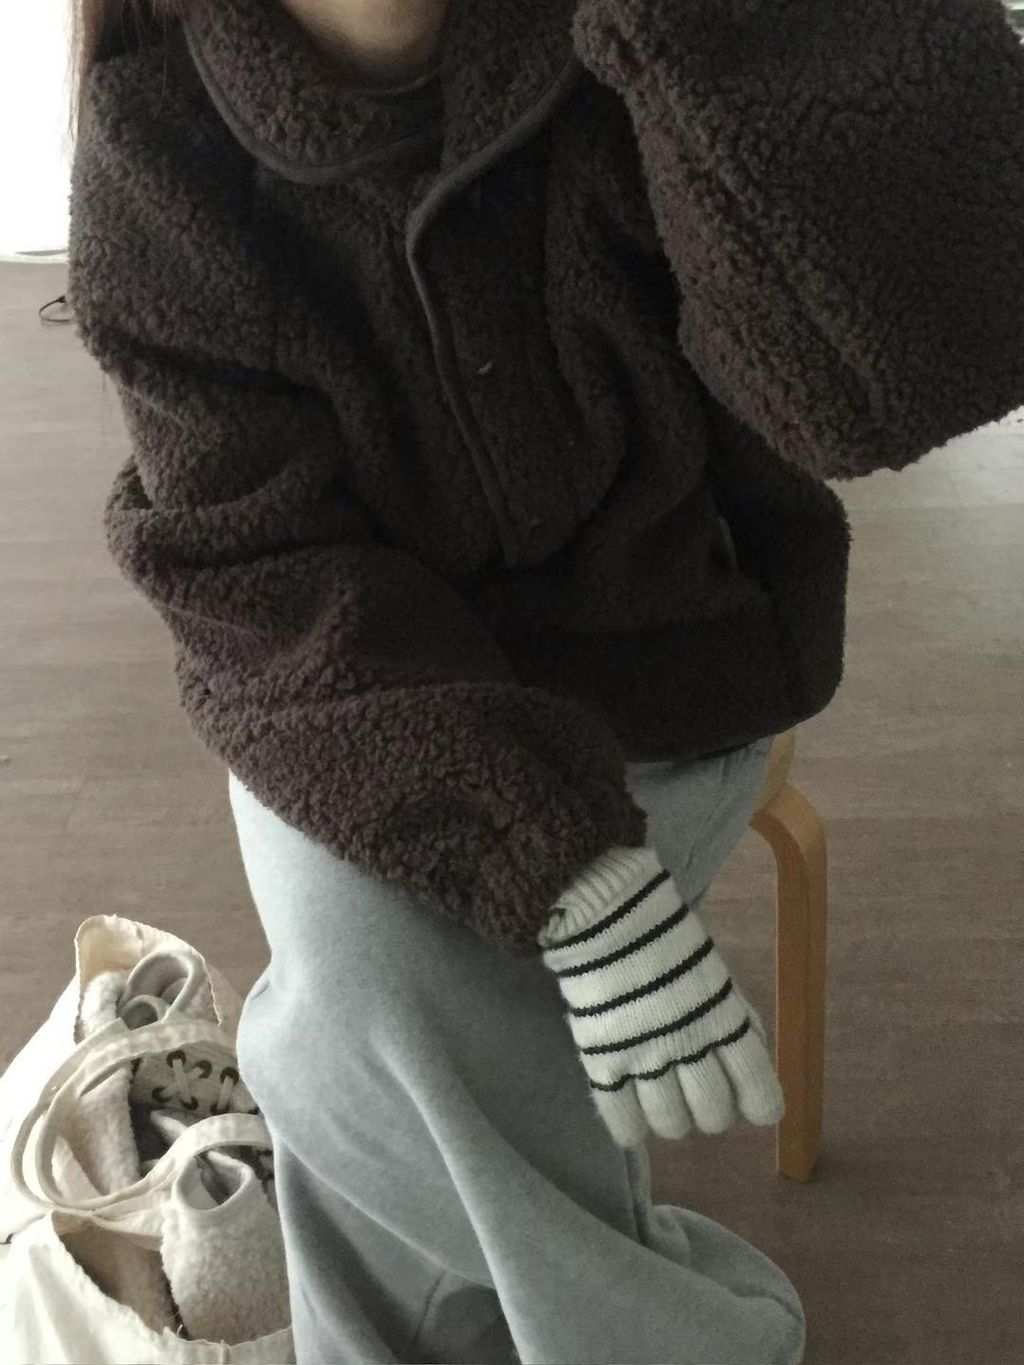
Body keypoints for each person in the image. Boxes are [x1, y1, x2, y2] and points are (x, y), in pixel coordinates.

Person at [66, 0, 1024, 1360]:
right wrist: (557, 862)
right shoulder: (155, 144)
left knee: (375, 1029)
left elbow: (894, 371)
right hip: (345, 695)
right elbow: (255, 572)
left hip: (672, 658)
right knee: (376, 998)